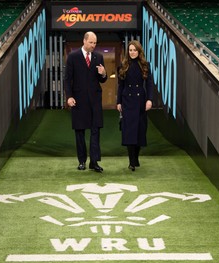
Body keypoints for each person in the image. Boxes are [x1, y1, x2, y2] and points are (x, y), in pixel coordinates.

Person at [65, 31, 108, 173]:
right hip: (78, 101)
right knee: (80, 132)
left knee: (95, 131)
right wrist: (69, 96)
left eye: (95, 43)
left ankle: (94, 162)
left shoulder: (99, 57)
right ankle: (82, 161)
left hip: (95, 102)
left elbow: (102, 80)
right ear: (84, 41)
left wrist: (103, 73)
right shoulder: (73, 57)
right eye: (91, 42)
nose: (93, 45)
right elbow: (67, 79)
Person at [116, 40, 153, 171]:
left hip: (140, 101)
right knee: (129, 132)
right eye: (130, 50)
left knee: (139, 131)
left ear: (139, 51)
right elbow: (120, 85)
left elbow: (149, 84)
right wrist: (118, 102)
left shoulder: (145, 65)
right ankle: (131, 161)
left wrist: (149, 100)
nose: (132, 52)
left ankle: (136, 158)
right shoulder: (123, 65)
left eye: (134, 50)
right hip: (127, 101)